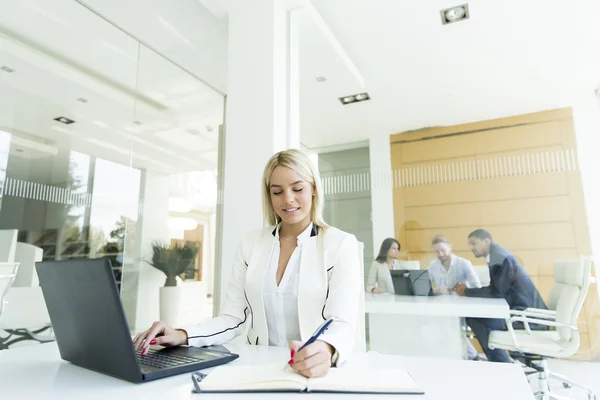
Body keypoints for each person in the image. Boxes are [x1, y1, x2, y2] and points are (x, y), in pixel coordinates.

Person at [133, 149, 361, 378]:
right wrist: (182, 334)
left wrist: (326, 348)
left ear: (313, 188)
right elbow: (232, 318)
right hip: (258, 368)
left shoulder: (340, 245)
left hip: (314, 371)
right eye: (277, 191)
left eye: (297, 188)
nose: (288, 199)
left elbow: (342, 322)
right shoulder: (251, 244)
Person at [452, 229, 547, 363]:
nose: (471, 248)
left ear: (486, 241)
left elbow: (496, 293)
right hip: (519, 310)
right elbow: (497, 290)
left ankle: (502, 364)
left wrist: (466, 291)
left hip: (524, 315)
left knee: (476, 319)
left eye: (474, 243)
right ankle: (499, 361)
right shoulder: (496, 255)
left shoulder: (500, 257)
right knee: (476, 317)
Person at [427, 234, 482, 360]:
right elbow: (425, 287)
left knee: (450, 329)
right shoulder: (433, 265)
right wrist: (435, 290)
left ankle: (472, 357)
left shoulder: (463, 263)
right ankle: (469, 357)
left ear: (450, 247)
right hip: (441, 307)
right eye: (437, 251)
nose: (440, 254)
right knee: (436, 328)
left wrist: (462, 289)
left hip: (460, 306)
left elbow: (476, 286)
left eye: (443, 250)